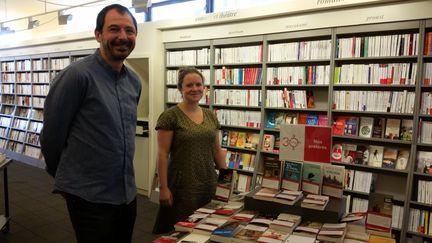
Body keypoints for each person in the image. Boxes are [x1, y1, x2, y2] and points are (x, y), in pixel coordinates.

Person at [40, 4, 141, 243]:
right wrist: (66, 181)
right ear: (98, 35)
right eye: (114, 29)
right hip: (89, 196)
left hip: (126, 193)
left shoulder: (134, 82)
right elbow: (51, 137)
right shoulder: (77, 76)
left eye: (129, 30)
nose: (122, 37)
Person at [152, 67, 227, 234]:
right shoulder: (170, 116)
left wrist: (226, 180)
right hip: (183, 185)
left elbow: (216, 150)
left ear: (204, 88)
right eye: (189, 85)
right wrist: (163, 187)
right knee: (183, 230)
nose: (195, 89)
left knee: (207, 228)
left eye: (199, 84)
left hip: (208, 181)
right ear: (180, 89)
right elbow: (162, 154)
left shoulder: (210, 115)